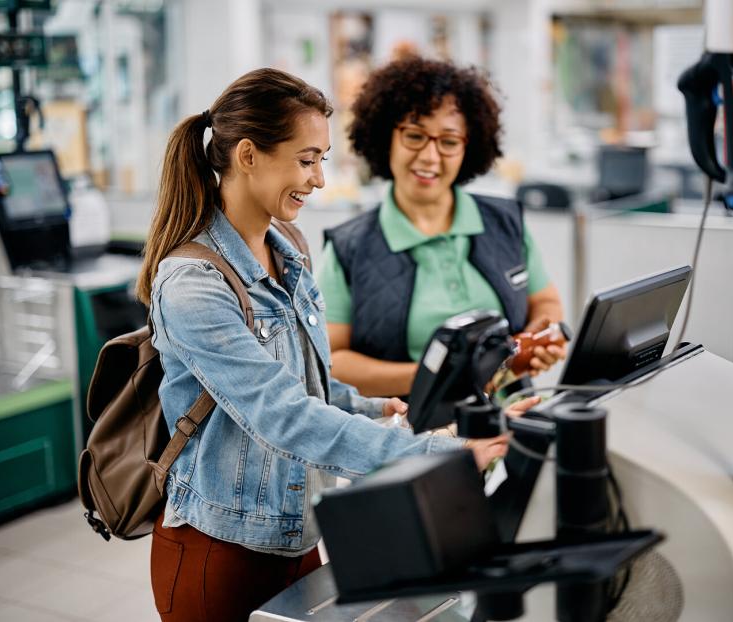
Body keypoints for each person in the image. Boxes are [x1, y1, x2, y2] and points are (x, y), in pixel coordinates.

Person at [137, 68, 524, 622]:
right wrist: (440, 455)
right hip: (219, 551)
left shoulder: (288, 245)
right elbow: (283, 415)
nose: (319, 179)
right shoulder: (193, 283)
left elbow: (307, 380)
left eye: (321, 159)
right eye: (306, 159)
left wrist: (371, 407)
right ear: (248, 155)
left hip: (299, 536)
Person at [316, 56, 566, 398]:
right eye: (415, 136)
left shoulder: (505, 222)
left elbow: (546, 302)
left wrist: (539, 339)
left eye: (449, 141)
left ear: (470, 146)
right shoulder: (349, 249)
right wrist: (438, 375)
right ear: (385, 137)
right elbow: (332, 361)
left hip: (514, 426)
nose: (431, 157)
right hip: (412, 438)